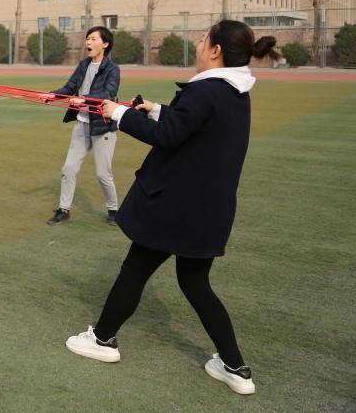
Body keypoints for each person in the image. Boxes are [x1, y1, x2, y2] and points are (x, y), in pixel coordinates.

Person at [65, 20, 279, 396]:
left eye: (203, 39)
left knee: (135, 270)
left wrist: (118, 113)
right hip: (207, 209)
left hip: (174, 205)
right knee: (195, 282)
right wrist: (156, 109)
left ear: (216, 51)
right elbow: (190, 126)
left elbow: (168, 136)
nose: (198, 44)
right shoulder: (233, 92)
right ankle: (235, 367)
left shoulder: (206, 90)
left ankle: (101, 339)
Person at [39, 26, 120, 226]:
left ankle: (113, 210)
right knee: (69, 168)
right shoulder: (84, 65)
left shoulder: (112, 69)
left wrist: (84, 99)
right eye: (87, 39)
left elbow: (108, 94)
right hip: (82, 123)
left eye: (93, 39)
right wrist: (52, 95)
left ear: (105, 44)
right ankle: (63, 210)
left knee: (103, 174)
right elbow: (70, 87)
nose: (88, 42)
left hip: (102, 126)